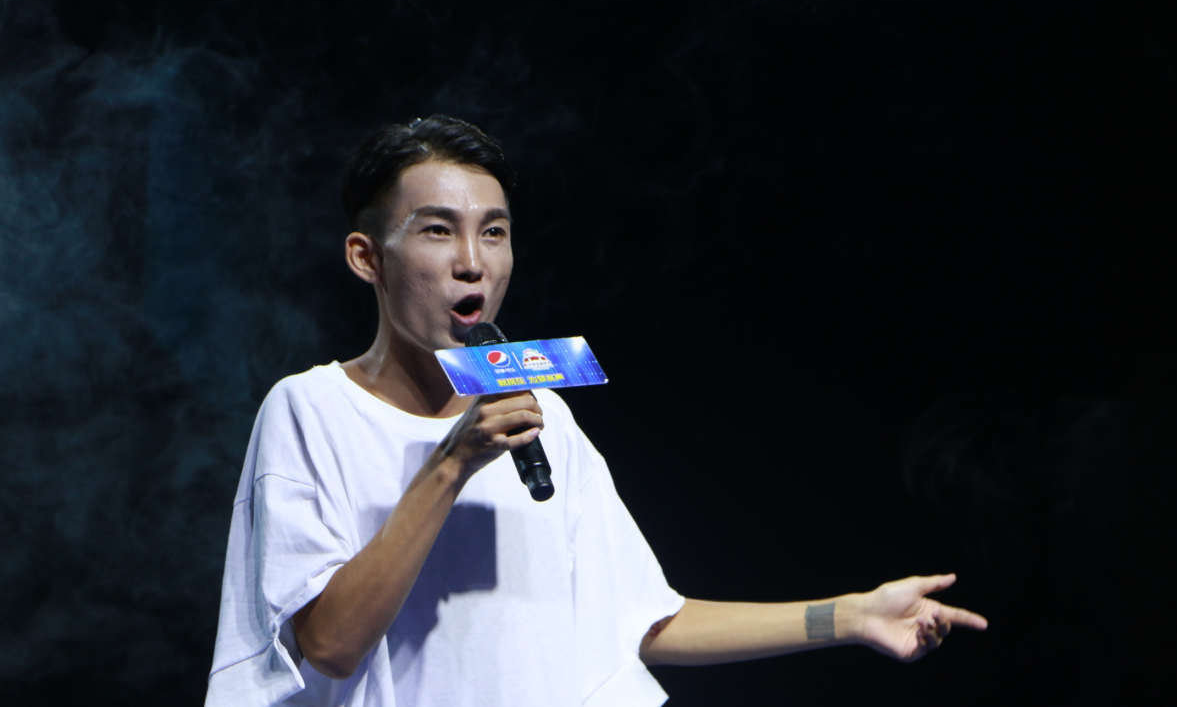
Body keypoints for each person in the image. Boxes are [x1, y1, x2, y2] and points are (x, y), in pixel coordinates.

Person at [205, 116, 987, 707]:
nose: (472, 262)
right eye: (438, 231)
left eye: (494, 233)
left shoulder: (540, 414)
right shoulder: (311, 409)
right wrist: (452, 465)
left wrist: (849, 616)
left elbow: (642, 619)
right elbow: (329, 645)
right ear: (367, 257)